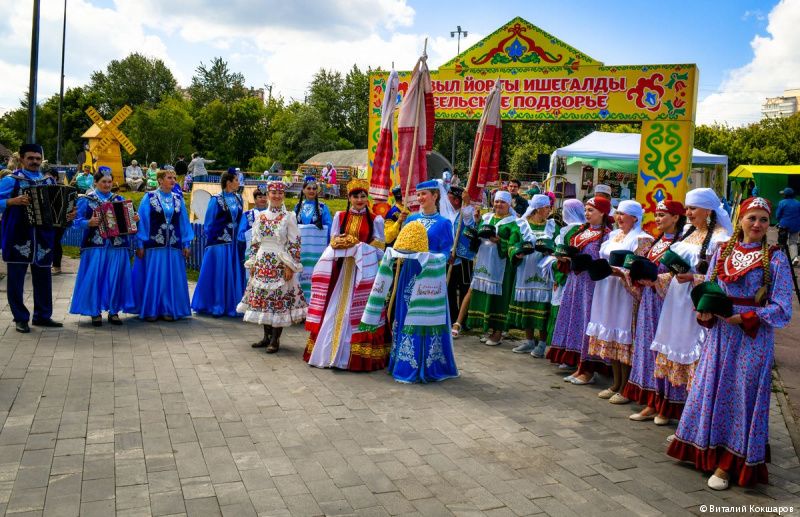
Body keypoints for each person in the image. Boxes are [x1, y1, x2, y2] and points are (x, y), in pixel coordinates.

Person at [667, 197, 793, 490]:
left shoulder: (775, 258)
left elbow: (783, 307)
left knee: (741, 393)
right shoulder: (723, 250)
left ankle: (729, 463)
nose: (757, 224)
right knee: (711, 387)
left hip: (752, 337)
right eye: (752, 218)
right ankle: (705, 447)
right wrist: (704, 309)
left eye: (763, 219)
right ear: (740, 220)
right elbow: (709, 288)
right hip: (721, 333)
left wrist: (747, 317)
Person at [649, 188, 732, 422]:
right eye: (687, 208)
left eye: (693, 208)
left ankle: (694, 417)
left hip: (696, 303)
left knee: (694, 354)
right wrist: (655, 279)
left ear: (709, 210)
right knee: (673, 348)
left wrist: (694, 278)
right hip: (675, 301)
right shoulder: (688, 232)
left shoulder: (720, 239)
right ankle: (670, 408)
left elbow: (721, 280)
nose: (688, 213)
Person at [364, 180, 458, 383]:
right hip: (409, 272)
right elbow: (401, 244)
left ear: (435, 196)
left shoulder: (444, 223)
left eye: (424, 194)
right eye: (419, 194)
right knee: (406, 313)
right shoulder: (411, 219)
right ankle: (403, 361)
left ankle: (428, 364)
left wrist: (430, 257)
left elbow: (446, 253)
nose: (420, 198)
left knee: (425, 316)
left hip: (429, 275)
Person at [304, 178, 387, 371]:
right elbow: (333, 242)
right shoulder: (340, 217)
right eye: (355, 196)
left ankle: (356, 356)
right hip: (341, 271)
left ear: (367, 198)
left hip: (364, 271)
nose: (359, 200)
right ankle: (327, 353)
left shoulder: (376, 219)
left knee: (360, 312)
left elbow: (380, 248)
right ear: (349, 198)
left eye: (363, 196)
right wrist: (342, 243)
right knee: (334, 309)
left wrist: (359, 247)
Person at [0, 143, 76, 333]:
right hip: (18, 236)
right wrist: (12, 201)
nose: (34, 161)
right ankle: (20, 318)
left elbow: (58, 207)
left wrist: (68, 214)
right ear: (21, 159)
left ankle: (42, 316)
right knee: (16, 280)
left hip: (43, 237)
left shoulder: (48, 181)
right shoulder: (11, 180)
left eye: (38, 158)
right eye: (30, 158)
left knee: (43, 278)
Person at [582, 200, 652, 401]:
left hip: (624, 292)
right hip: (607, 288)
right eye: (618, 213)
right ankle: (615, 383)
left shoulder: (642, 239)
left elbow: (639, 269)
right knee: (610, 333)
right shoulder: (613, 235)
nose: (619, 217)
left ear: (635, 218)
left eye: (624, 214)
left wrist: (620, 272)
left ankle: (626, 386)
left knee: (623, 334)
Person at [626, 200, 686, 422]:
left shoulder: (682, 243)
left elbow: (681, 275)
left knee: (664, 352)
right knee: (647, 349)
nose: (658, 219)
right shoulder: (656, 241)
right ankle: (652, 401)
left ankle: (666, 405)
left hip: (667, 304)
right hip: (649, 302)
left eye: (662, 215)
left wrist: (656, 280)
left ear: (676, 217)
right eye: (656, 215)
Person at [238, 181, 307, 353]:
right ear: (268, 195)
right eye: (273, 193)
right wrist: (252, 262)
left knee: (277, 300)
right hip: (262, 261)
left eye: (280, 193)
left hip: (279, 262)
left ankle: (275, 339)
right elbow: (255, 241)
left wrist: (290, 266)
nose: (276, 196)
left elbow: (295, 243)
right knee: (264, 299)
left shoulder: (289, 217)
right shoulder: (260, 216)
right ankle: (266, 337)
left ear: (283, 195)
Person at [547, 197, 612, 378]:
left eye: (591, 210)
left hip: (591, 286)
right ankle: (574, 360)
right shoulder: (582, 230)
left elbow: (604, 262)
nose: (586, 214)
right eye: (585, 210)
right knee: (573, 318)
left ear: (602, 213)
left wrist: (587, 262)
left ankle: (587, 366)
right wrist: (564, 258)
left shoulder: (607, 235)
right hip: (575, 282)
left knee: (586, 320)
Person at [69, 171, 138, 326]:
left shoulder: (119, 200)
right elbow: (75, 221)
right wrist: (88, 223)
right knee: (95, 278)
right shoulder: (87, 199)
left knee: (116, 278)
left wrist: (135, 219)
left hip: (117, 245)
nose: (107, 185)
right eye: (104, 182)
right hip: (95, 246)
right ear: (95, 182)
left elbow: (132, 223)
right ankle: (95, 312)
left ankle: (114, 311)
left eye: (109, 182)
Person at [132, 170, 194, 321]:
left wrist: (186, 243)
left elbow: (183, 222)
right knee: (155, 277)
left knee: (170, 278)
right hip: (154, 245)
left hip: (173, 245)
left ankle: (168, 309)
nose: (173, 180)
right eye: (169, 178)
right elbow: (142, 221)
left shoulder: (178, 198)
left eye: (174, 178)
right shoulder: (149, 197)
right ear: (160, 180)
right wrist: (140, 244)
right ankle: (151, 309)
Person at [466, 190, 524, 346]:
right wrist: (477, 223)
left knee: (499, 298)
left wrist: (500, 241)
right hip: (485, 263)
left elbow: (514, 243)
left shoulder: (514, 222)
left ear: (509, 204)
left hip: (502, 267)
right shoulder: (487, 217)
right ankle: (489, 328)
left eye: (502, 202)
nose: (499, 204)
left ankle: (498, 332)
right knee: (486, 294)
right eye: (497, 201)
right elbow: (479, 234)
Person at [191, 171, 246, 317]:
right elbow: (208, 222)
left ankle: (231, 305)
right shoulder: (216, 199)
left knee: (231, 273)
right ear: (228, 182)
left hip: (234, 244)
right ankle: (216, 304)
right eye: (236, 180)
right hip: (219, 243)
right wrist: (213, 240)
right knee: (219, 273)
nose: (238, 182)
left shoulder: (239, 198)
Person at [508, 194, 557, 357]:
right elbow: (512, 245)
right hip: (526, 271)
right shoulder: (521, 225)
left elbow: (558, 245)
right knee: (527, 305)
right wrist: (517, 253)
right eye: (547, 207)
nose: (549, 210)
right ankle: (529, 341)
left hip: (544, 274)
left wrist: (553, 252)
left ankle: (542, 343)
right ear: (537, 209)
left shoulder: (552, 226)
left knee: (543, 307)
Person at [545, 199, 586, 349]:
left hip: (566, 275)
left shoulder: (569, 230)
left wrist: (555, 264)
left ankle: (559, 346)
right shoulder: (584, 229)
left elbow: (563, 255)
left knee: (562, 310)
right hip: (574, 274)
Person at [294, 176, 333, 301]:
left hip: (317, 250)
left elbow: (329, 227)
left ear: (317, 191)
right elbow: (292, 226)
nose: (311, 191)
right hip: (301, 250)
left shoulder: (322, 207)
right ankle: (300, 302)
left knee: (315, 274)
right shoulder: (298, 207)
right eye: (309, 188)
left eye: (314, 188)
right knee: (300, 274)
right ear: (303, 190)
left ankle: (315, 302)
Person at [447, 186, 478, 338]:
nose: (446, 201)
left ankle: (462, 321)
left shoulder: (466, 212)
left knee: (465, 289)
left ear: (456, 200)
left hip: (464, 258)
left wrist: (467, 203)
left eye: (449, 198)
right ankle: (452, 318)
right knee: (450, 289)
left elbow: (470, 225)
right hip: (450, 258)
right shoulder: (447, 213)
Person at [776, 187, 800, 265]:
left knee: (782, 242)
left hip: (784, 225)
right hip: (796, 225)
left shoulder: (782, 202)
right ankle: (794, 258)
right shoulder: (798, 203)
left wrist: (779, 221)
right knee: (793, 242)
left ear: (785, 195)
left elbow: (778, 215)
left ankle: (782, 258)